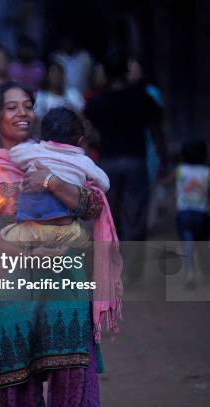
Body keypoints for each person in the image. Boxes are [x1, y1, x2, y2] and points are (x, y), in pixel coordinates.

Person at [0, 82, 122, 407]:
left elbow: (92, 206)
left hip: (63, 278)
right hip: (11, 285)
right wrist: (28, 257)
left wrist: (52, 181)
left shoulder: (59, 156)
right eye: (12, 107)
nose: (22, 113)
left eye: (27, 105)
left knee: (71, 375)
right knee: (17, 385)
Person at [84, 50, 167, 286]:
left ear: (107, 76)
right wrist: (163, 160)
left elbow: (87, 130)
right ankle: (132, 274)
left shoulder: (97, 100)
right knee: (135, 216)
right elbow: (157, 131)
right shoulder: (142, 97)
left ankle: (110, 271)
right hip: (135, 162)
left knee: (108, 218)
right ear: (125, 73)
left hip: (108, 163)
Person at [1, 107, 110, 246]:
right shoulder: (83, 161)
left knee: (5, 239)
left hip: (28, 230)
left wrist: (32, 145)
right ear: (80, 140)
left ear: (42, 135)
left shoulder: (33, 150)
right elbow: (105, 183)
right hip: (65, 231)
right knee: (87, 244)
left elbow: (14, 154)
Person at [174, 140, 210, 288]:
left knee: (187, 243)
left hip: (184, 213)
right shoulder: (207, 172)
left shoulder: (180, 170)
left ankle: (190, 273)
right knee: (202, 245)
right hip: (201, 214)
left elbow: (167, 181)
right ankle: (206, 273)